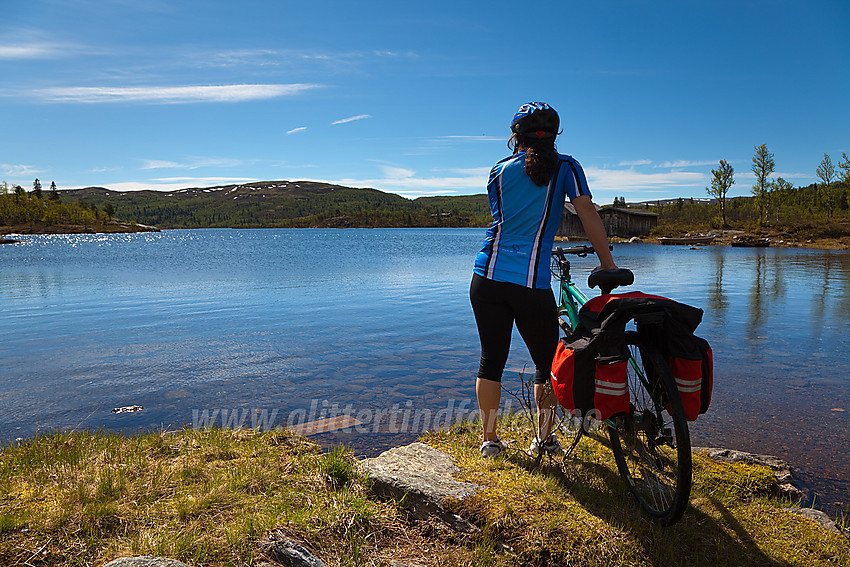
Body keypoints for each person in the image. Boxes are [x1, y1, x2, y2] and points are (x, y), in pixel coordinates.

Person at [470, 102, 618, 458]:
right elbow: (586, 212)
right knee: (546, 362)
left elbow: (505, 222)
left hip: (485, 276)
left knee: (491, 359)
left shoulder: (497, 170)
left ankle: (490, 442)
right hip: (531, 285)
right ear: (554, 136)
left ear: (514, 136)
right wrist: (607, 262)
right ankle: (545, 438)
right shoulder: (567, 166)